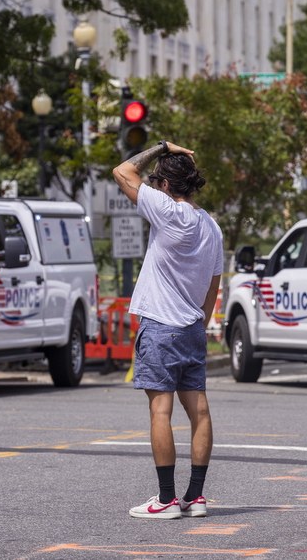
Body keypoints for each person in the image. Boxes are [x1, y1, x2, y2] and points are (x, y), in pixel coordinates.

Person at [112, 140, 223, 520]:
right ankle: (196, 497)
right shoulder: (212, 227)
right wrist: (199, 323)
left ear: (163, 185)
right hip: (192, 326)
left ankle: (166, 500)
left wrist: (159, 147)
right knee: (200, 413)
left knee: (161, 411)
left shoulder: (166, 210)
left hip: (160, 326)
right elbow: (213, 286)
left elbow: (122, 171)